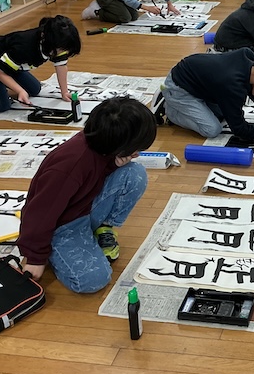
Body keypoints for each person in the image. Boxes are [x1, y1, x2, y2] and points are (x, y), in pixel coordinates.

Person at [17, 96, 157, 293]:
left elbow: (96, 174)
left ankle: (102, 229)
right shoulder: (69, 166)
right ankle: (56, 252)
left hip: (85, 207)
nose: (137, 154)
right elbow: (39, 214)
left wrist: (113, 163)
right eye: (135, 149)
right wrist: (35, 258)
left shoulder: (102, 142)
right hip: (62, 225)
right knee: (94, 280)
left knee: (135, 173)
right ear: (118, 145)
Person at [0, 15, 81, 112]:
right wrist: (19, 90)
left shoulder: (56, 44)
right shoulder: (25, 47)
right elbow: (0, 72)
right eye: (62, 50)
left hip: (8, 63)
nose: (63, 53)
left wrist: (64, 92)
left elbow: (61, 65)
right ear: (50, 43)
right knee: (1, 105)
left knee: (34, 89)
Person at [160, 49, 254, 140]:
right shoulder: (232, 85)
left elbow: (253, 90)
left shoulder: (249, 60)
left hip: (198, 84)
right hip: (179, 88)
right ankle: (170, 109)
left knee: (223, 114)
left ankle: (177, 103)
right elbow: (239, 129)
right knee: (212, 129)